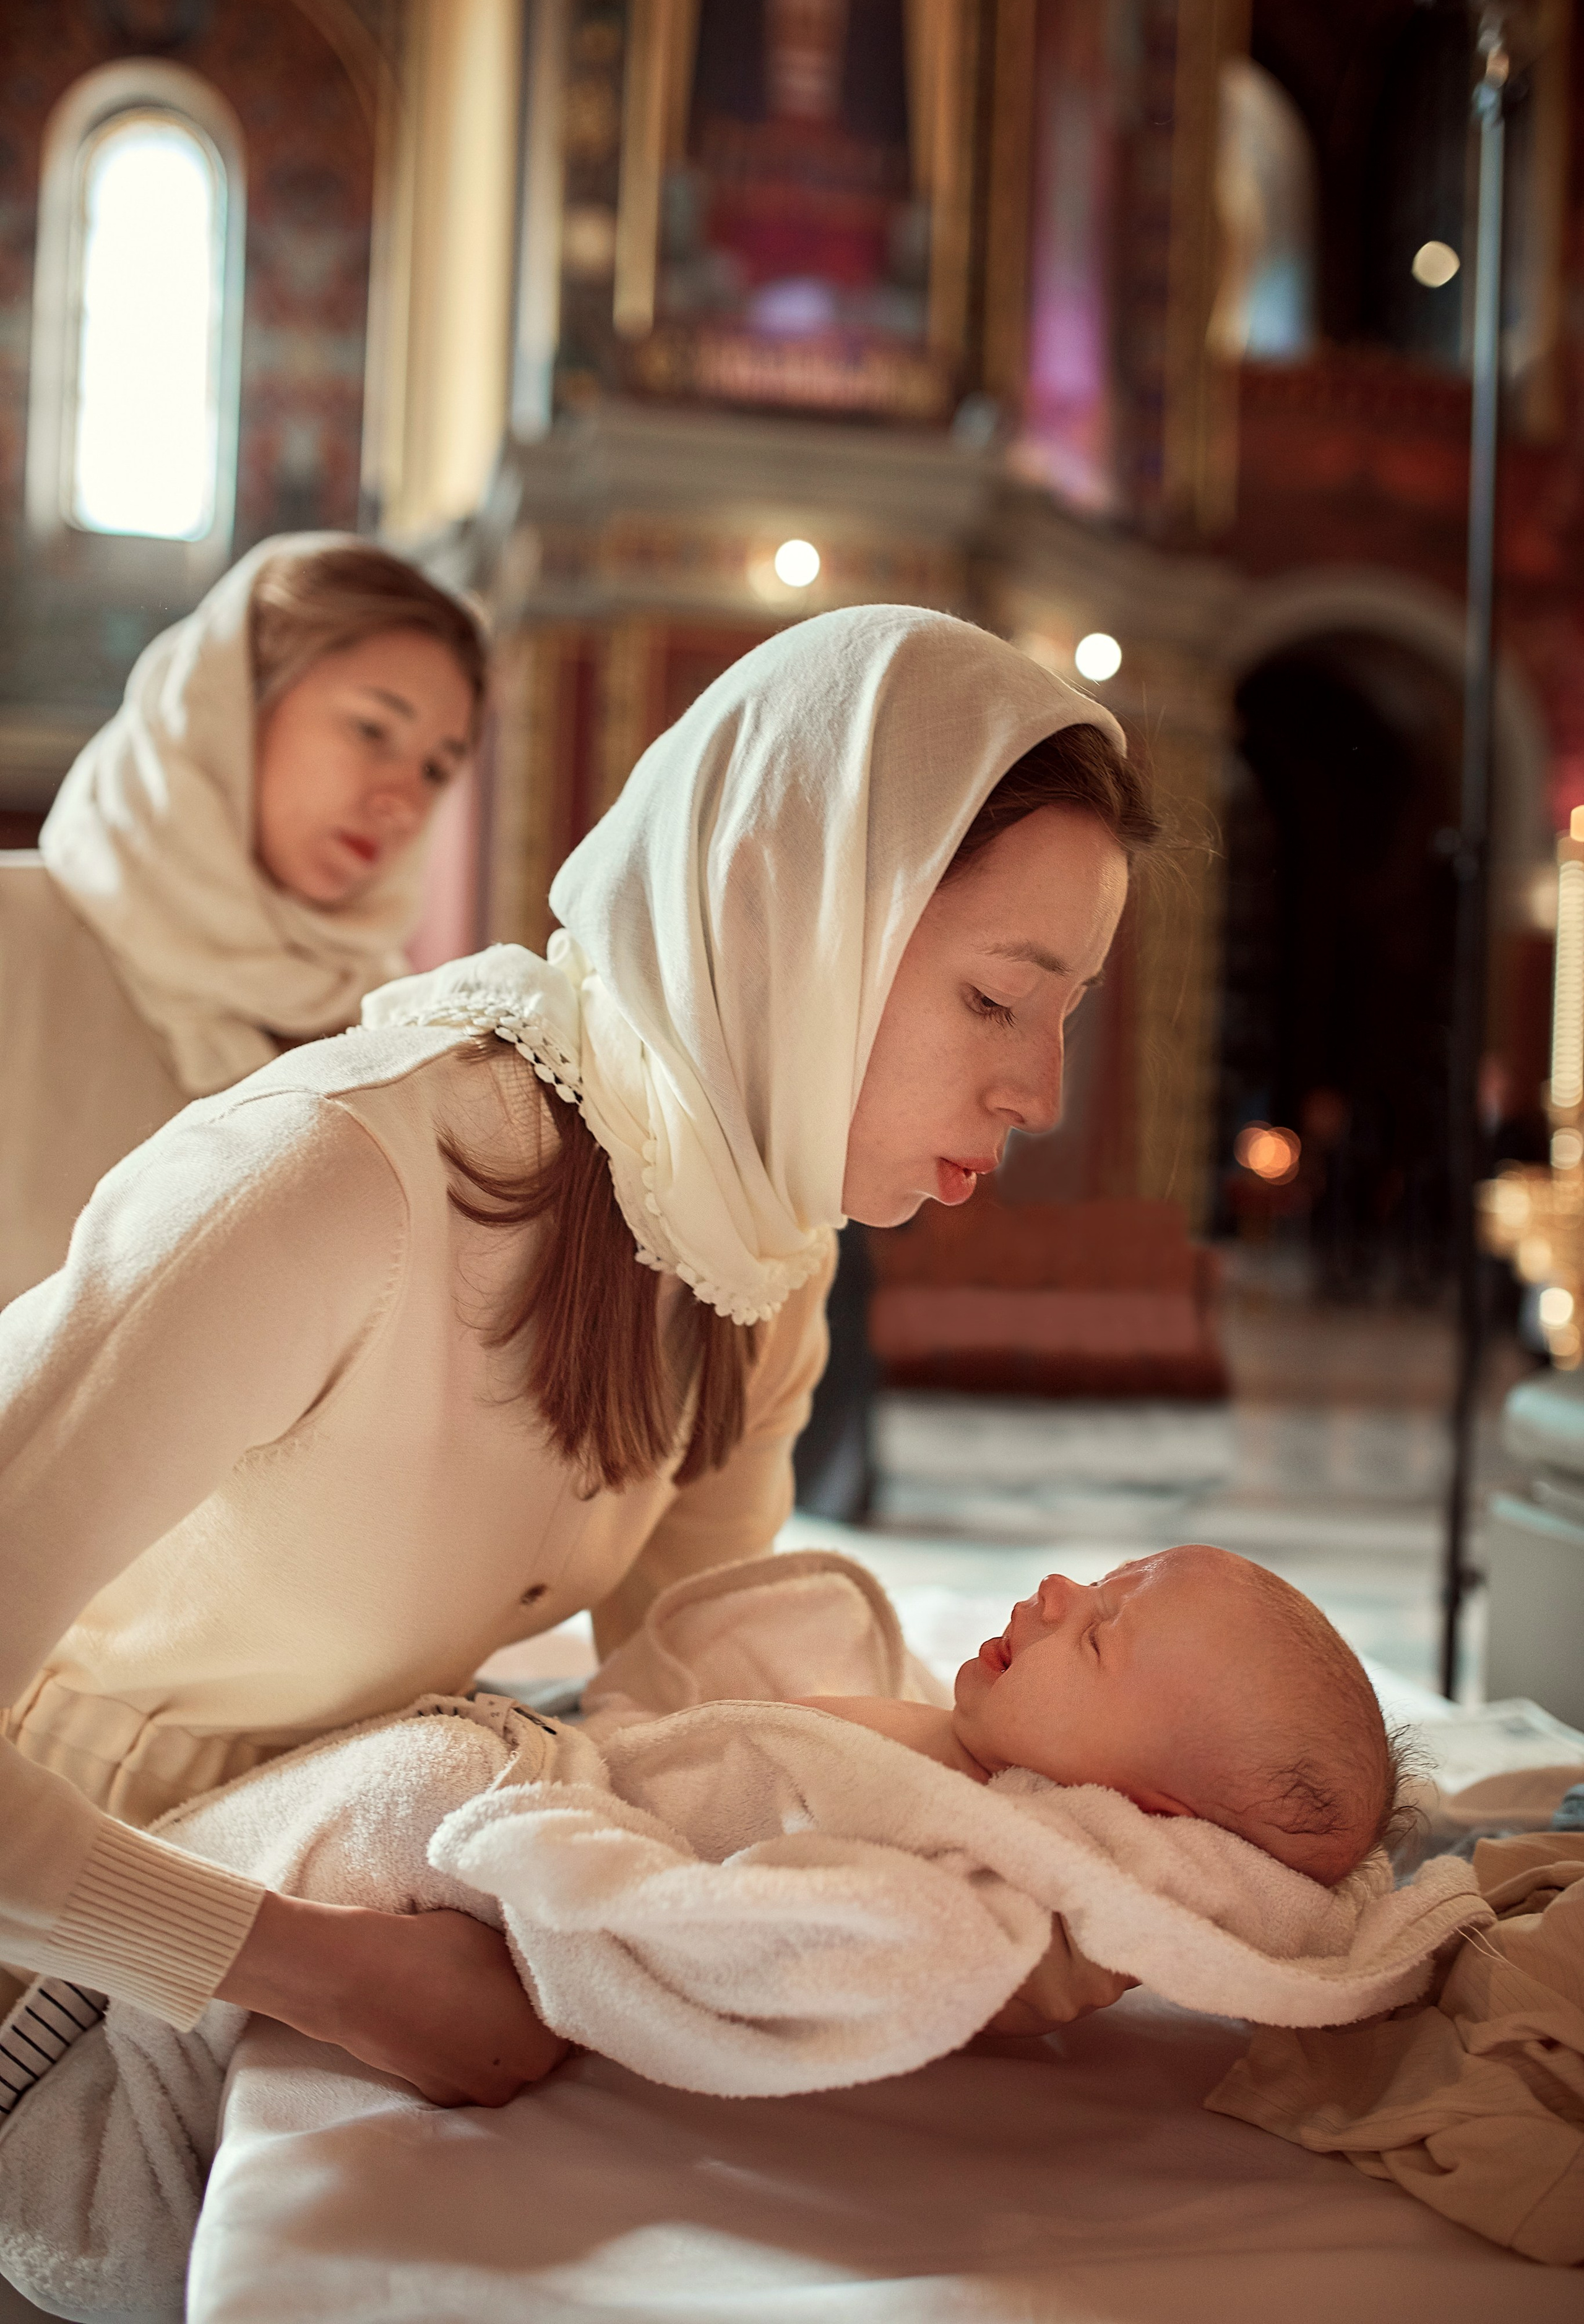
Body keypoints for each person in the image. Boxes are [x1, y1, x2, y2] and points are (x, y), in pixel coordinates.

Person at [0, 605, 1157, 2108]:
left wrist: (1000, 1861)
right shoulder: (334, 1179)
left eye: (1063, 1016)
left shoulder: (755, 1257)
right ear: (774, 916)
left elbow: (690, 1707)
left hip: (326, 1885)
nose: (1037, 1094)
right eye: (993, 999)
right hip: (70, 1919)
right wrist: (330, 1973)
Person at [0, 534, 486, 1307]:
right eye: (372, 729)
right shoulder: (17, 935)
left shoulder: (392, 1032)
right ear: (232, 705)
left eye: (436, 767)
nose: (403, 799)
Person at [799, 1545, 1400, 1887]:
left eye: (1094, 1639)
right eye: (1097, 1583)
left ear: (1140, 1815)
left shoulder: (988, 1866)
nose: (1055, 1586)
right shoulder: (974, 1755)